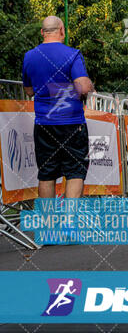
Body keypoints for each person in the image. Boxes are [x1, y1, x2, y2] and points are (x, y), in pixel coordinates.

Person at [22, 16, 94, 199]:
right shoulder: (73, 54)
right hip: (72, 122)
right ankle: (70, 223)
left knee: (47, 173)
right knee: (75, 171)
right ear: (62, 30)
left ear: (42, 32)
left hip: (44, 123)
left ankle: (47, 224)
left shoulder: (29, 56)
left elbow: (29, 90)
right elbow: (83, 86)